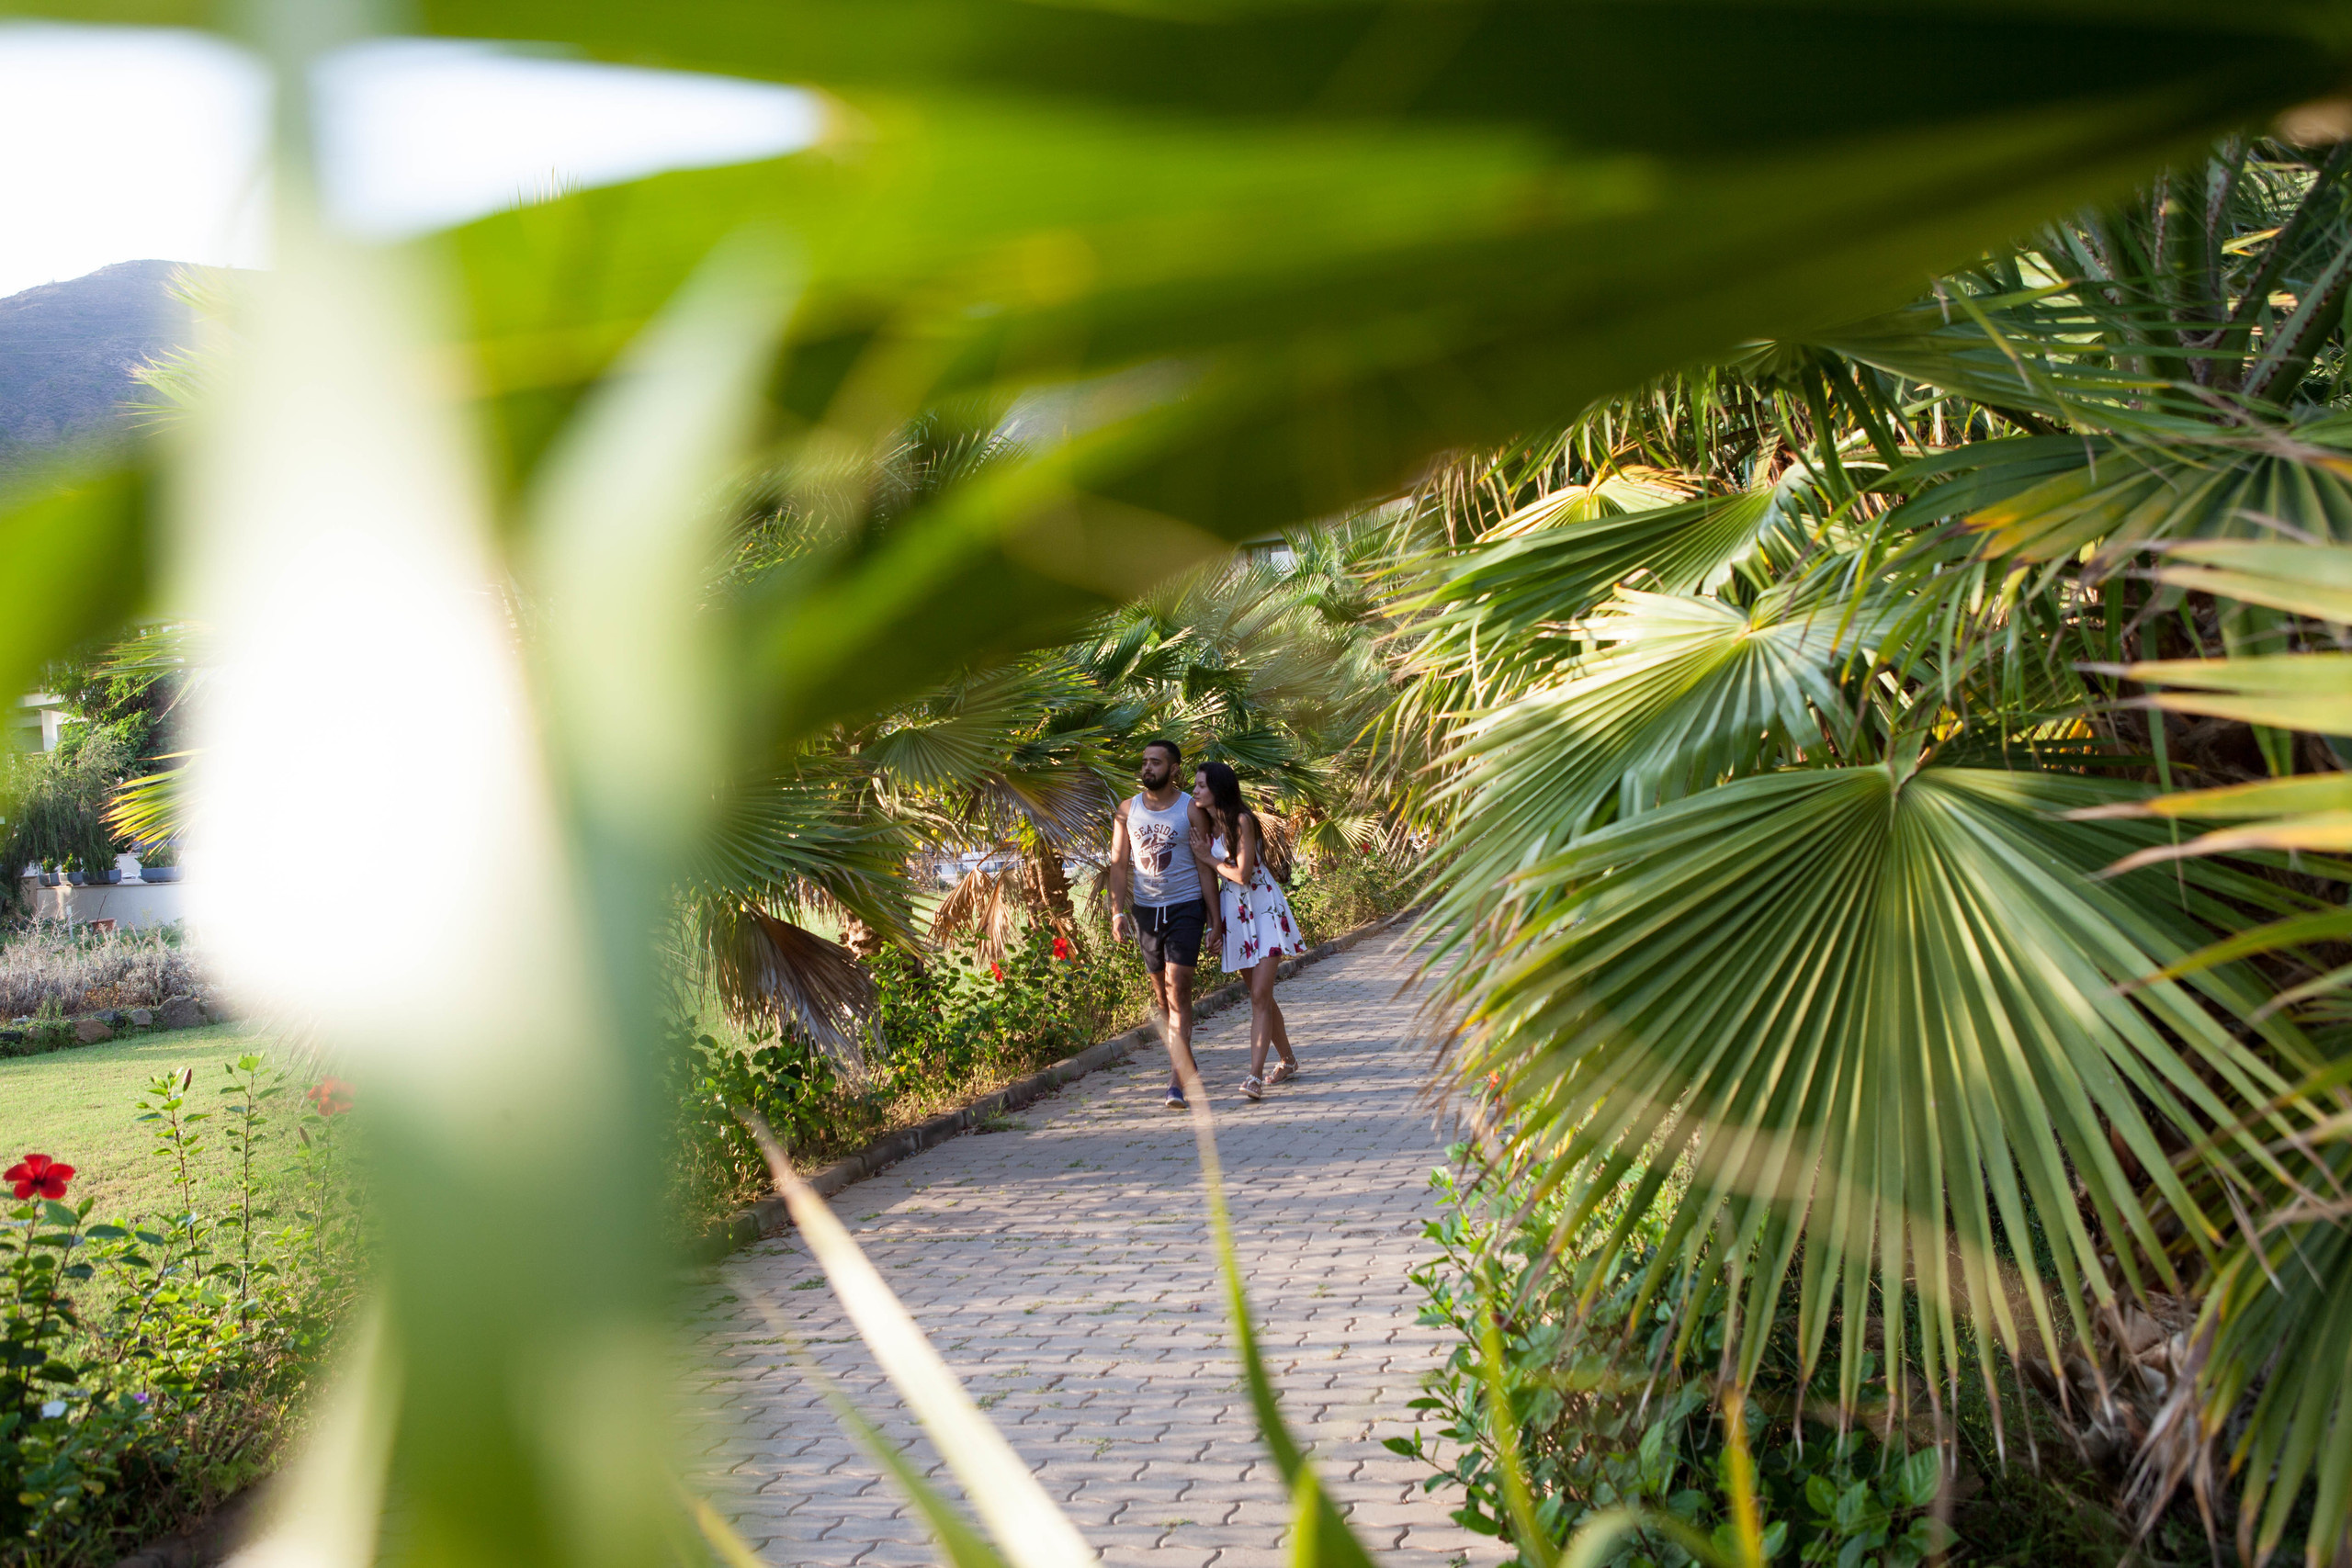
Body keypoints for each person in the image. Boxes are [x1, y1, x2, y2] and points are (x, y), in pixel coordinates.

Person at [1107, 739, 1224, 1110]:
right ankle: (1185, 1061)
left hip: (1185, 907)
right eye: (1144, 762)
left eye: (1155, 763)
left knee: (1179, 989)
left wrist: (1214, 920)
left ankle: (1177, 1079)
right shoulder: (1128, 810)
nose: (1147, 768)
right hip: (1145, 911)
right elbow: (1119, 864)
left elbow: (1206, 865)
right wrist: (1117, 913)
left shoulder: (1191, 809)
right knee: (1162, 997)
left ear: (1174, 769)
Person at [1192, 761, 1306, 1101]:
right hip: (1236, 917)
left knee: (1258, 997)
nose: (1195, 791)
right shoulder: (1207, 826)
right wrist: (1215, 925)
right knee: (1263, 997)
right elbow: (1213, 882)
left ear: (1218, 789)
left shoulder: (1242, 820)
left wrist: (1207, 858)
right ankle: (1288, 1060)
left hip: (1264, 909)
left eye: (1201, 785)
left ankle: (1254, 1077)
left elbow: (1241, 874)